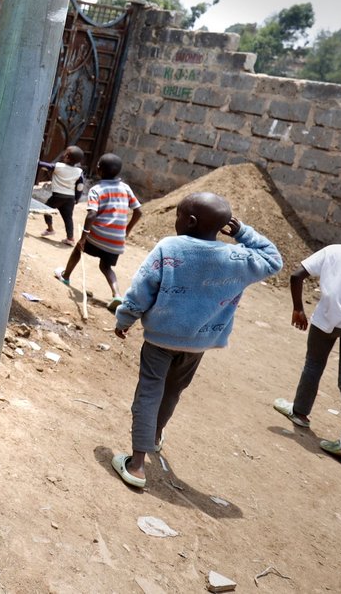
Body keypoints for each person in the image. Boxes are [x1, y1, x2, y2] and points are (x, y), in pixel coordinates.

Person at [108, 192, 282, 488]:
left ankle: (137, 466)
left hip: (161, 339)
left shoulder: (171, 247)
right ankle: (155, 436)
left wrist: (125, 318)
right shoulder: (237, 257)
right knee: (173, 390)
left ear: (188, 221)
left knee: (149, 393)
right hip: (199, 343)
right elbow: (274, 260)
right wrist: (242, 232)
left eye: (177, 215)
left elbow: (141, 289)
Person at [273, 203, 341, 462]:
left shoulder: (337, 251)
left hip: (328, 322)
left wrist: (298, 309)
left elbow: (297, 275)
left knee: (313, 365)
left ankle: (300, 413)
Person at [55, 152, 142, 310]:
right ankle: (117, 295)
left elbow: (92, 213)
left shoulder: (97, 190)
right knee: (106, 267)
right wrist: (126, 231)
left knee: (77, 250)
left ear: (98, 169)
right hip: (116, 241)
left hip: (97, 236)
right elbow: (138, 211)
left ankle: (66, 276)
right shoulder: (126, 188)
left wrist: (83, 238)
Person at [38, 145, 85, 245]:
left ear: (67, 157)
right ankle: (70, 238)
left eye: (65, 152)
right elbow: (80, 186)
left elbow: (44, 166)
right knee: (68, 218)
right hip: (70, 198)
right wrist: (77, 199)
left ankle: (50, 229)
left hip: (58, 196)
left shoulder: (58, 166)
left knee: (46, 210)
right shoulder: (79, 171)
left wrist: (37, 161)